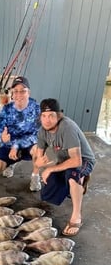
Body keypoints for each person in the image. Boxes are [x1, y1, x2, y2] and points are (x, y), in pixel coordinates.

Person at [35, 98, 96, 236]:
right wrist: (40, 163)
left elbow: (76, 160)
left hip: (83, 160)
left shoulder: (67, 127)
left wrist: (50, 168)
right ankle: (76, 186)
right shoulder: (42, 131)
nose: (47, 120)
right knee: (47, 196)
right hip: (64, 161)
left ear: (59, 115)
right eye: (44, 116)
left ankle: (76, 217)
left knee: (73, 175)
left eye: (51, 115)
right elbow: (38, 157)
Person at [0, 76, 41, 191]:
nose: (19, 94)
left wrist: (17, 145)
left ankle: (35, 176)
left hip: (29, 145)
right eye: (16, 91)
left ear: (29, 92)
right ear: (12, 94)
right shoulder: (6, 109)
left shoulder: (37, 108)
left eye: (23, 91)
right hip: (10, 146)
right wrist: (2, 138)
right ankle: (12, 163)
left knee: (38, 149)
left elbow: (38, 135)